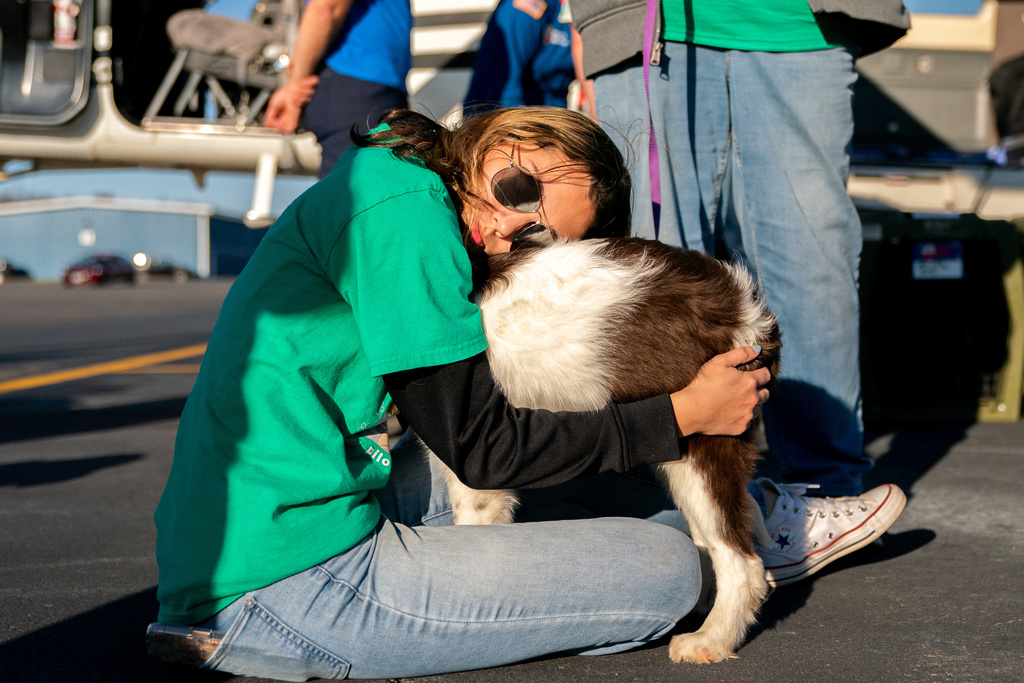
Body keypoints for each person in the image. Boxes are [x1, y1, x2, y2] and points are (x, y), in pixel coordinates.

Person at [151, 105, 780, 679]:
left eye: (536, 238)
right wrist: (682, 413)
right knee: (666, 569)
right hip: (288, 581)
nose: (506, 230)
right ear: (505, 137)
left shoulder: (394, 179)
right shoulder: (404, 216)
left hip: (264, 518)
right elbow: (481, 450)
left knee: (624, 500)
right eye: (520, 188)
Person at [567, 0, 910, 585]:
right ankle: (677, 510)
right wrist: (590, 27)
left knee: (810, 259)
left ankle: (817, 498)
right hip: (645, 24)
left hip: (798, 22)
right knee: (656, 283)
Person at [264, 0, 412, 178]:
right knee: (361, 197)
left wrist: (293, 85)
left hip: (368, 87)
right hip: (357, 85)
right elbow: (326, 7)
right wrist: (294, 88)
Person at [464, 0, 576, 113]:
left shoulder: (576, 9)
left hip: (548, 110)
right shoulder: (525, 8)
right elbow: (508, 86)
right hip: (501, 113)